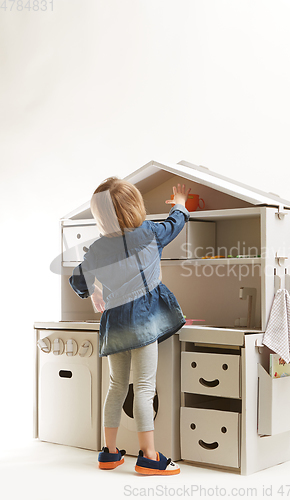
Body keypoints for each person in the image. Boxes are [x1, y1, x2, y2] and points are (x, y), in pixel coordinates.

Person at [69, 177, 190, 475]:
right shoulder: (150, 233)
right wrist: (181, 204)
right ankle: (149, 455)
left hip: (114, 323)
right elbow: (176, 223)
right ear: (134, 206)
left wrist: (93, 290)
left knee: (117, 386)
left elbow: (78, 279)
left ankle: (109, 453)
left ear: (102, 216)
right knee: (145, 388)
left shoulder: (98, 248)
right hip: (144, 321)